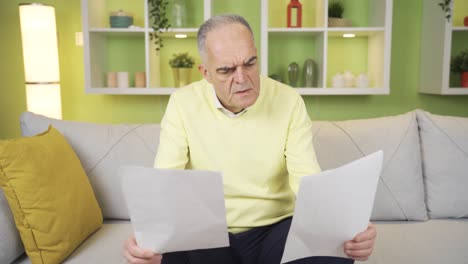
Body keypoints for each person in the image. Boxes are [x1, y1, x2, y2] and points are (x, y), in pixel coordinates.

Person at [123, 14, 376, 264]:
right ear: (206, 73)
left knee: (336, 253)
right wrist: (147, 240)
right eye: (226, 70)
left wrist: (348, 232)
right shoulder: (182, 103)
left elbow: (308, 182)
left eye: (250, 63)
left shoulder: (289, 101)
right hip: (208, 233)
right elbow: (166, 181)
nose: (242, 78)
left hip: (275, 229)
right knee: (159, 258)